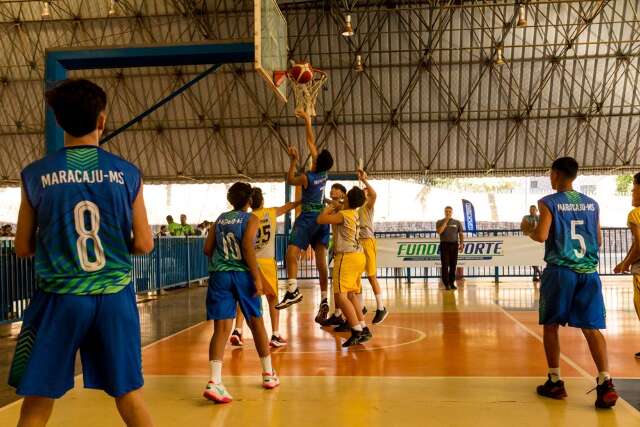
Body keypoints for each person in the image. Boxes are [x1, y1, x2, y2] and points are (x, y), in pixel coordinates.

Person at [9, 78, 154, 426]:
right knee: (128, 394)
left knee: (38, 397)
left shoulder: (35, 175)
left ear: (58, 122)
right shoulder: (127, 173)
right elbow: (145, 243)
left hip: (58, 298)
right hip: (114, 298)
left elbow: (23, 246)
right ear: (102, 120)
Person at [529, 156, 618, 409]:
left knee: (551, 325)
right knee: (591, 328)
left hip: (561, 272)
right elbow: (598, 240)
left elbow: (541, 235)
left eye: (550, 173)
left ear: (556, 174)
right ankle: (605, 383)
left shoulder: (548, 202)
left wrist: (529, 229)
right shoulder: (592, 204)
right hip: (589, 273)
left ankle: (555, 381)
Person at [203, 182, 279, 404]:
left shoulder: (219, 219)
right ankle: (268, 374)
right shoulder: (251, 219)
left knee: (221, 329)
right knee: (256, 323)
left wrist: (222, 262)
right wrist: (257, 278)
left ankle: (215, 381)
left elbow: (207, 249)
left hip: (219, 275)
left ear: (231, 199)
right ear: (249, 201)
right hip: (242, 275)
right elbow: (247, 247)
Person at [276, 110, 334, 326]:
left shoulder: (308, 177)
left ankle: (292, 288)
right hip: (322, 218)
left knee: (291, 252)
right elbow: (311, 141)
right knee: (321, 263)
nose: (315, 154)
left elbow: (290, 180)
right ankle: (325, 299)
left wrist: (292, 160)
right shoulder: (324, 174)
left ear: (317, 161)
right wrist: (309, 120)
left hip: (309, 217)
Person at [230, 188, 301, 348]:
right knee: (273, 298)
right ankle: (275, 334)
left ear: (249, 202)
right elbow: (289, 206)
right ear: (262, 201)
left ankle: (238, 330)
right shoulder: (270, 212)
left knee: (245, 298)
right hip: (267, 262)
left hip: (249, 261)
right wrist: (300, 201)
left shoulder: (247, 218)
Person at [317, 186, 371, 347]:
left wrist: (327, 208)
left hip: (346, 258)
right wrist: (333, 202)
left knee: (341, 296)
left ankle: (356, 330)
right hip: (358, 257)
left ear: (347, 198)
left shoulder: (343, 214)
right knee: (352, 295)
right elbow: (341, 206)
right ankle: (363, 327)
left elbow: (320, 219)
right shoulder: (354, 213)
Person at [614, 172, 640, 359]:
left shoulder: (635, 214)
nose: (632, 193)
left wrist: (627, 263)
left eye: (634, 189)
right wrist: (625, 261)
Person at [357, 169, 388, 324]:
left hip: (368, 242)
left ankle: (381, 307)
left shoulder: (368, 206)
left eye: (366, 192)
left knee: (371, 276)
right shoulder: (355, 209)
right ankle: (361, 306)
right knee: (356, 277)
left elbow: (374, 195)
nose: (365, 193)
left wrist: (365, 181)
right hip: (357, 244)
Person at [321, 183, 348, 327]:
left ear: (344, 194)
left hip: (347, 251)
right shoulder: (336, 205)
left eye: (336, 189)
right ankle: (338, 313)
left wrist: (323, 199)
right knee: (336, 284)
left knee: (344, 288)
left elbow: (332, 205)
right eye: (332, 188)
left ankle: (353, 319)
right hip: (338, 249)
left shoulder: (342, 206)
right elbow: (330, 202)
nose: (332, 190)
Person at [435, 207, 464, 290]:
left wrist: (461, 244)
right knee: (445, 265)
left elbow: (461, 234)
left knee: (453, 265)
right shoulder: (439, 222)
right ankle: (446, 284)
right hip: (444, 245)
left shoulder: (457, 222)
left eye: (449, 211)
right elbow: (439, 232)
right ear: (444, 212)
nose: (448, 213)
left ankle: (451, 283)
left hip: (454, 245)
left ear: (452, 212)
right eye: (446, 211)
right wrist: (446, 221)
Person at [521, 204, 542, 282]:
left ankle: (537, 275)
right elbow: (523, 227)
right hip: (529, 240)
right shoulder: (526, 217)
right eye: (530, 210)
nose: (532, 211)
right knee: (531, 258)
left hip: (538, 240)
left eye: (533, 209)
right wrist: (531, 227)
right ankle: (539, 274)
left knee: (536, 258)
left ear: (536, 210)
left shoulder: (540, 218)